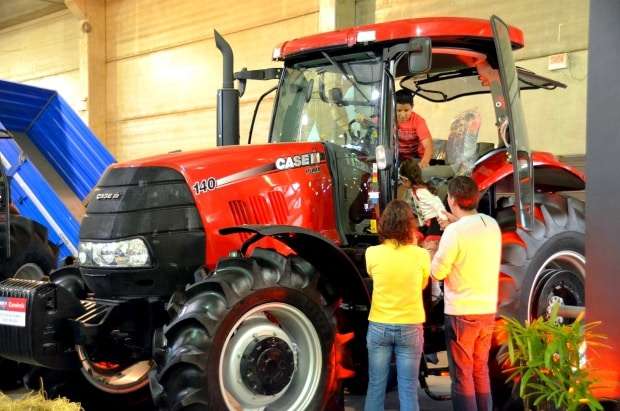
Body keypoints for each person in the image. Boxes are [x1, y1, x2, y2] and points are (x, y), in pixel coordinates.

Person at [430, 176, 501, 411]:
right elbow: (470, 230)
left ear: (451, 200)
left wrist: (431, 252)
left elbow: (437, 273)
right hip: (487, 312)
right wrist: (454, 223)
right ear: (476, 197)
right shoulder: (491, 225)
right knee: (480, 370)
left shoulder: (454, 233)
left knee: (462, 377)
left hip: (462, 313)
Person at [364, 200, 430, 411]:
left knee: (375, 386)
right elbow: (422, 284)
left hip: (379, 325)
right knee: (408, 388)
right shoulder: (421, 255)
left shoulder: (372, 253)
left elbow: (372, 275)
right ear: (410, 225)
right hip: (410, 326)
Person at [396, 89, 433, 167]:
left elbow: (428, 145)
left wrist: (424, 162)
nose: (402, 115)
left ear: (412, 107)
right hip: (397, 156)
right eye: (399, 110)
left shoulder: (419, 121)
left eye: (406, 110)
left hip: (415, 158)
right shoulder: (389, 119)